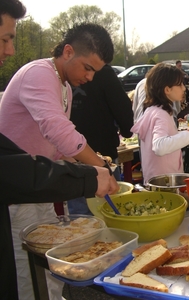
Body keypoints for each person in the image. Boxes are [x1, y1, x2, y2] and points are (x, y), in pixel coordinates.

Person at [0, 2, 115, 299]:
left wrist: (93, 163)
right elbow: (60, 133)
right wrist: (98, 170)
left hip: (38, 183)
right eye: (87, 68)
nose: (89, 77)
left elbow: (54, 147)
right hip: (16, 188)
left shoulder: (62, 85)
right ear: (67, 52)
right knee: (24, 267)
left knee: (50, 258)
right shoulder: (39, 73)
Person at [131, 63, 189, 183]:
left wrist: (188, 132)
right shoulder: (160, 113)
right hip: (163, 181)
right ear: (167, 89)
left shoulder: (153, 110)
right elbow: (159, 146)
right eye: (180, 84)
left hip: (158, 178)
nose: (184, 88)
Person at [68, 63, 134, 214]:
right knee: (111, 212)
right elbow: (122, 107)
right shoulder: (103, 71)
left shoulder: (64, 71)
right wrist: (126, 130)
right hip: (103, 153)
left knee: (79, 218)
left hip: (70, 157)